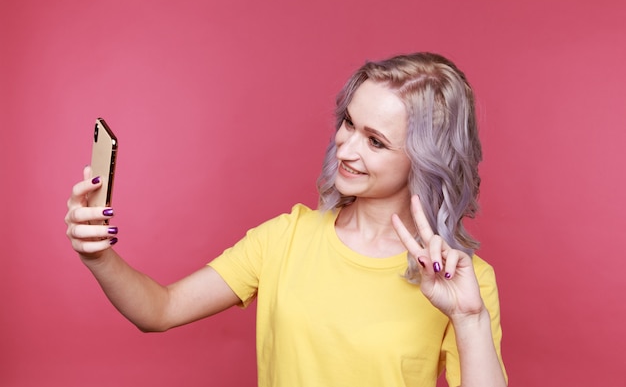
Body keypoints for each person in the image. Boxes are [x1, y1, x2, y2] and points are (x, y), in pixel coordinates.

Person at [65, 52, 507, 387]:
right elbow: (159, 310)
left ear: (426, 160)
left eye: (375, 141)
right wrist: (99, 257)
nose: (346, 148)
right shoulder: (284, 238)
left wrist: (469, 320)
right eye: (349, 123)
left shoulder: (463, 281)